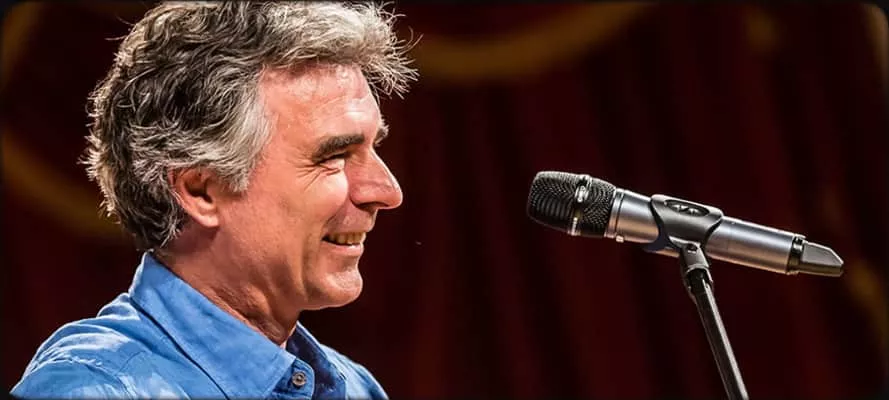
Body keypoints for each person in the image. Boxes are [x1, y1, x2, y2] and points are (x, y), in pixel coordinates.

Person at [11, 1, 417, 398]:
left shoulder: (356, 387)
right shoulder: (94, 389)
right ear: (201, 192)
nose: (386, 192)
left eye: (374, 148)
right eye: (335, 156)